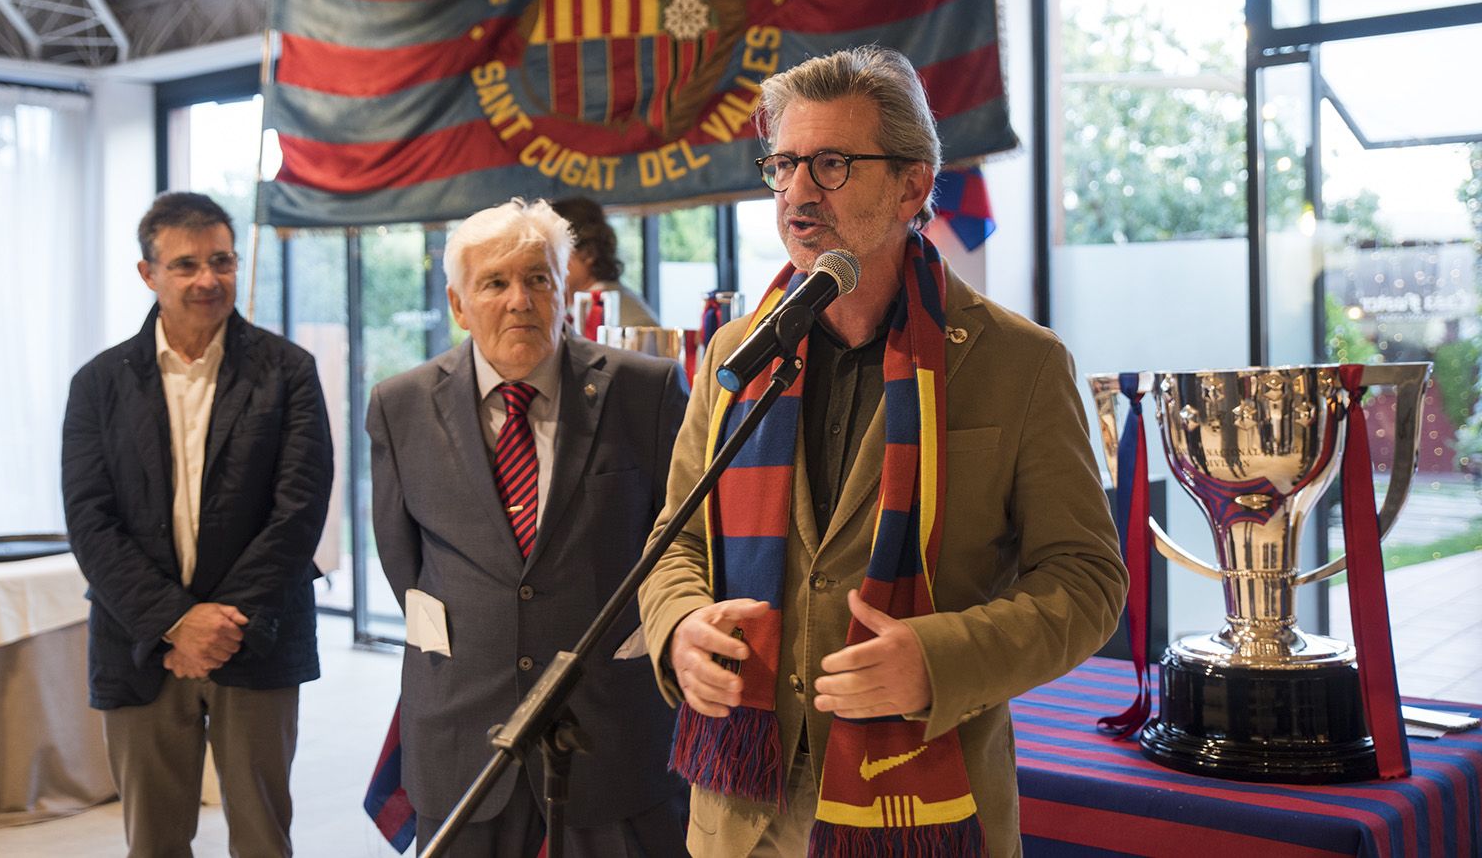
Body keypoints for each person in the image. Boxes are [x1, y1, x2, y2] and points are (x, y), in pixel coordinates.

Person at [637, 46, 1127, 857]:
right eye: (783, 164)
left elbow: (1087, 581)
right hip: (740, 806)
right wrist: (681, 626)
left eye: (830, 164)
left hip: (924, 801)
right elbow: (674, 541)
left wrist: (942, 660)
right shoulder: (738, 351)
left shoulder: (1018, 363)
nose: (796, 192)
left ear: (912, 185)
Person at [370, 197, 690, 857]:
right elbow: (406, 566)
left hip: (613, 732)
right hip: (462, 738)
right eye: (494, 283)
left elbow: (680, 544)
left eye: (538, 278)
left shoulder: (646, 391)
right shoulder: (399, 406)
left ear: (564, 289)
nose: (520, 300)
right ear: (459, 305)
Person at [62, 192, 332, 858]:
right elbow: (89, 520)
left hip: (257, 635)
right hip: (139, 642)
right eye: (185, 265)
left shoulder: (288, 372)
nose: (207, 279)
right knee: (153, 841)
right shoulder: (98, 384)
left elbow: (299, 509)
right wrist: (175, 622)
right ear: (147, 274)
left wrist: (221, 622)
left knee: (264, 836)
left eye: (221, 261)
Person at [551, 196, 660, 327]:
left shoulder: (627, 319)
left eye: (555, 251)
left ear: (588, 253)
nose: (547, 263)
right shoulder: (572, 310)